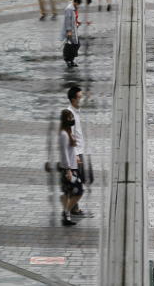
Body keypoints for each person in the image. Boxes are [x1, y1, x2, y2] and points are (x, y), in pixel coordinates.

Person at [59, 109, 84, 226]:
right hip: (69, 169)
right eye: (70, 118)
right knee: (78, 191)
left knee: (70, 193)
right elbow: (63, 153)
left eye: (72, 118)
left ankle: (66, 217)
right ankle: (66, 212)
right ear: (65, 120)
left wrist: (76, 156)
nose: (72, 120)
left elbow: (71, 149)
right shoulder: (64, 134)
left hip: (73, 167)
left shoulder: (68, 131)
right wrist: (68, 170)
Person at [67, 86, 86, 215]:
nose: (82, 99)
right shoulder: (69, 115)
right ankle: (72, 208)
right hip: (76, 154)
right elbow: (71, 137)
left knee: (78, 180)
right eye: (80, 97)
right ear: (73, 99)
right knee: (76, 180)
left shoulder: (76, 112)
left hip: (79, 151)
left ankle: (73, 207)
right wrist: (76, 155)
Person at [62, 0, 83, 67]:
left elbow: (74, 18)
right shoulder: (69, 9)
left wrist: (77, 22)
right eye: (78, 4)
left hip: (74, 29)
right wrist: (69, 31)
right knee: (71, 45)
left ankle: (70, 60)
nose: (78, 6)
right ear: (76, 2)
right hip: (70, 30)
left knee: (75, 45)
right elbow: (67, 20)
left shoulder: (74, 8)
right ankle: (68, 60)